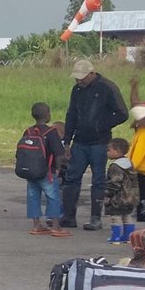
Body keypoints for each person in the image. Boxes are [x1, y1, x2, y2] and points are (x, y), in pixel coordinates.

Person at [60, 59, 128, 230]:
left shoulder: (107, 87)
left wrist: (102, 124)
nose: (79, 81)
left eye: (82, 78)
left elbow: (122, 113)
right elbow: (71, 114)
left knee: (98, 180)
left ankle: (96, 218)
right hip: (79, 141)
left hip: (100, 142)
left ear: (92, 74)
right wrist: (67, 140)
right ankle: (68, 217)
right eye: (77, 78)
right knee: (71, 178)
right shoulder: (76, 90)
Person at [21, 102, 70, 237]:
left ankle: (36, 225)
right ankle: (55, 226)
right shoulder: (51, 132)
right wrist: (58, 169)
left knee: (33, 197)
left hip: (31, 172)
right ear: (48, 115)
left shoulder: (28, 131)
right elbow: (59, 153)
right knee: (53, 198)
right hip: (47, 172)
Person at [102, 137, 139, 244]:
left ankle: (116, 237)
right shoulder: (129, 164)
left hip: (118, 198)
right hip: (130, 196)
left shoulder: (116, 166)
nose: (107, 152)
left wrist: (107, 194)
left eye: (109, 150)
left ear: (117, 151)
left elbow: (115, 182)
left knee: (116, 216)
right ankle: (128, 236)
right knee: (127, 216)